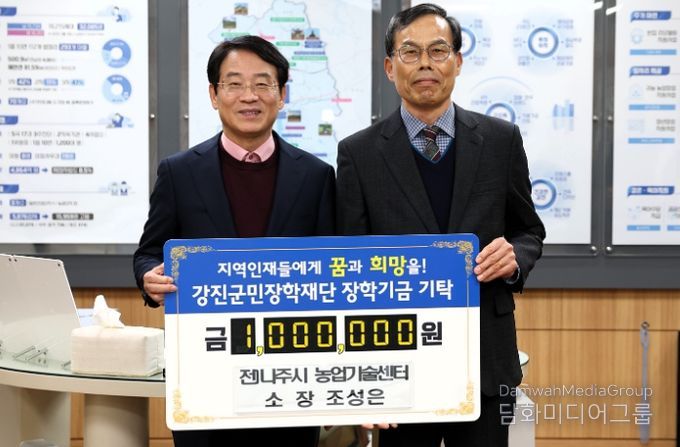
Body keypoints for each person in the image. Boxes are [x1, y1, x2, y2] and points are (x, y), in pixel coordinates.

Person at [336, 4, 545, 446]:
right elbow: (349, 263)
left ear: (458, 61)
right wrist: (360, 372)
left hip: (485, 357)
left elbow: (528, 230)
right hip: (398, 362)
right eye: (410, 52)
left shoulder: (501, 140)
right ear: (390, 67)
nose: (426, 64)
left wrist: (515, 257)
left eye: (438, 50)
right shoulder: (359, 153)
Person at [133, 35, 334, 447]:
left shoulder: (316, 176)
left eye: (263, 84)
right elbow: (150, 251)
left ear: (281, 95)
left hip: (290, 372)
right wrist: (149, 278)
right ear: (214, 94)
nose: (249, 96)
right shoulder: (179, 172)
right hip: (205, 367)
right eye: (234, 84)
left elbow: (334, 264)